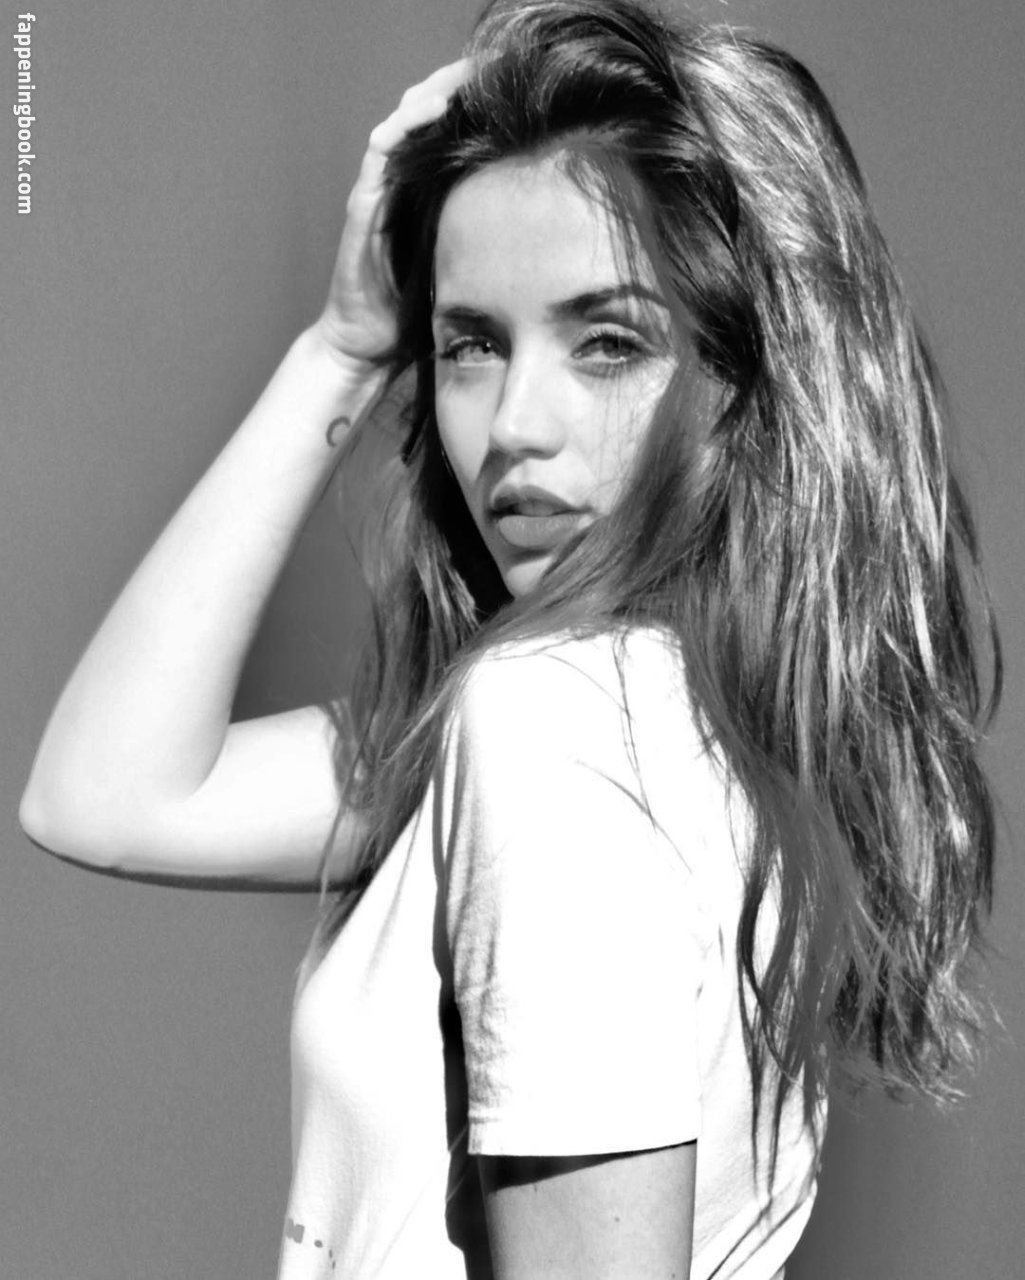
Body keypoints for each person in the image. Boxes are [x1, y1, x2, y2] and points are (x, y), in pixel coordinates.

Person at [20, 0, 1001, 1276]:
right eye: (470, 343)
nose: (514, 424)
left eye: (608, 342)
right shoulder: (703, 727)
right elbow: (102, 797)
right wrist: (344, 344)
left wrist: (338, 354)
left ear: (742, 384)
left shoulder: (558, 722)